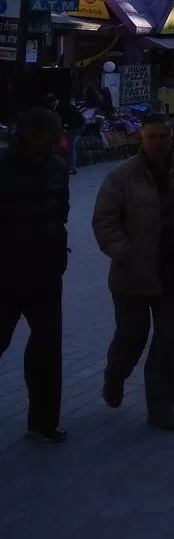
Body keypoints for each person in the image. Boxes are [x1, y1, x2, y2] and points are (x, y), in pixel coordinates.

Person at [93, 113, 174, 431]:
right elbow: (104, 221)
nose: (158, 143)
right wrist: (125, 252)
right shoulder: (121, 176)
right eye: (152, 137)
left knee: (167, 344)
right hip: (132, 275)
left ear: (171, 138)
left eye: (163, 137)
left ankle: (161, 408)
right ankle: (115, 376)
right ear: (141, 138)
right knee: (132, 337)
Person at [0, 108, 69, 443]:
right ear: (30, 135)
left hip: (45, 274)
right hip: (6, 276)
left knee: (47, 346)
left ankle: (42, 421)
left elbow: (62, 214)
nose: (57, 140)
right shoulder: (3, 167)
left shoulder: (57, 169)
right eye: (52, 134)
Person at [52, 95, 85, 175]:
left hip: (77, 127)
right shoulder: (62, 106)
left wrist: (66, 128)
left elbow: (69, 121)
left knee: (71, 145)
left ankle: (72, 168)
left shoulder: (61, 108)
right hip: (76, 126)